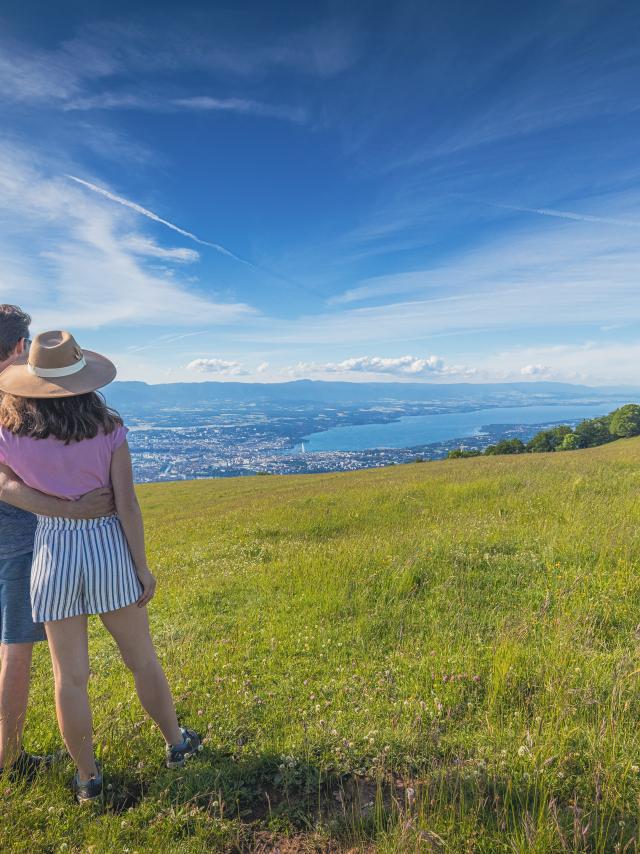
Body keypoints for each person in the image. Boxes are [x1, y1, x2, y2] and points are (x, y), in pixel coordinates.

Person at [0, 329, 202, 804]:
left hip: (51, 552)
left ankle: (88, 778)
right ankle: (176, 744)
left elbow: (5, 486)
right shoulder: (108, 428)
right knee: (141, 659)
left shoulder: (8, 431)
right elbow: (127, 505)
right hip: (109, 545)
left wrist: (54, 505)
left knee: (69, 678)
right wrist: (142, 568)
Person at [0, 305, 115, 780]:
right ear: (21, 347)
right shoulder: (10, 395)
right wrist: (70, 508)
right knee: (17, 645)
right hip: (25, 536)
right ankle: (7, 758)